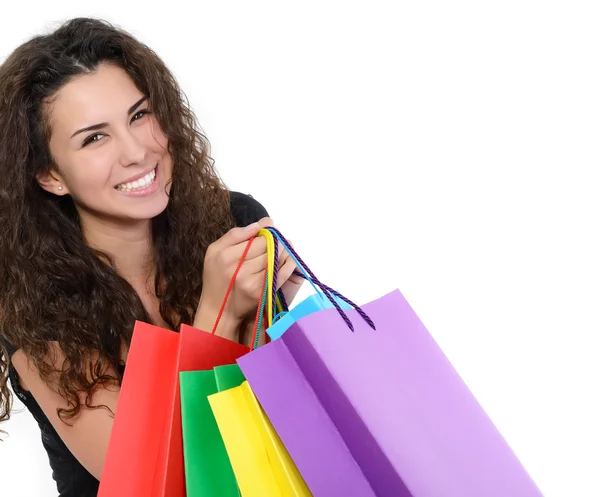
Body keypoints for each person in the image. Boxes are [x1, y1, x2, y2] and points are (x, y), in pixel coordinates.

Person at [0, 17, 303, 497]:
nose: (138, 151)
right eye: (94, 138)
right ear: (49, 175)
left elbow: (287, 428)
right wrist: (219, 315)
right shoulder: (31, 302)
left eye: (139, 115)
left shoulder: (232, 218)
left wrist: (279, 321)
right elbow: (149, 481)